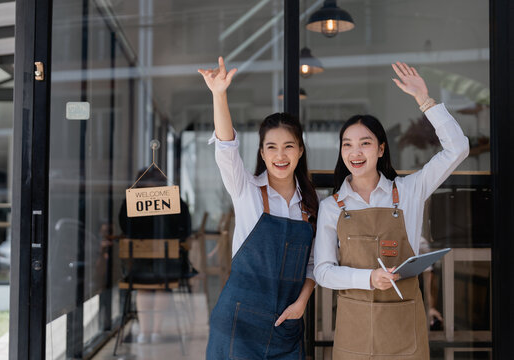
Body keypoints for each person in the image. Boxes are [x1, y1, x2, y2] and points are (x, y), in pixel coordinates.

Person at [313, 62, 469, 359]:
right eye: (347, 145)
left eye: (365, 143)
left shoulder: (410, 191)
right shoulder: (332, 207)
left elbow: (458, 148)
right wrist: (369, 279)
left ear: (381, 149)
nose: (355, 152)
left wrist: (425, 101)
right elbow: (322, 272)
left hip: (403, 330)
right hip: (354, 330)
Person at [198, 57, 318, 360]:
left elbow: (314, 265)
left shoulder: (311, 205)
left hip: (286, 325)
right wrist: (219, 94)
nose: (280, 155)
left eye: (289, 146)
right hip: (237, 323)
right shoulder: (245, 189)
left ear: (300, 151)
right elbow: (226, 148)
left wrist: (302, 303)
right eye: (271, 147)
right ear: (262, 153)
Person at [118, 167, 192, 344]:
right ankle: (156, 332)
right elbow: (186, 230)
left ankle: (144, 332)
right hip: (169, 267)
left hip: (139, 269)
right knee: (162, 286)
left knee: (144, 286)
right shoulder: (175, 201)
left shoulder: (130, 202)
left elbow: (124, 229)